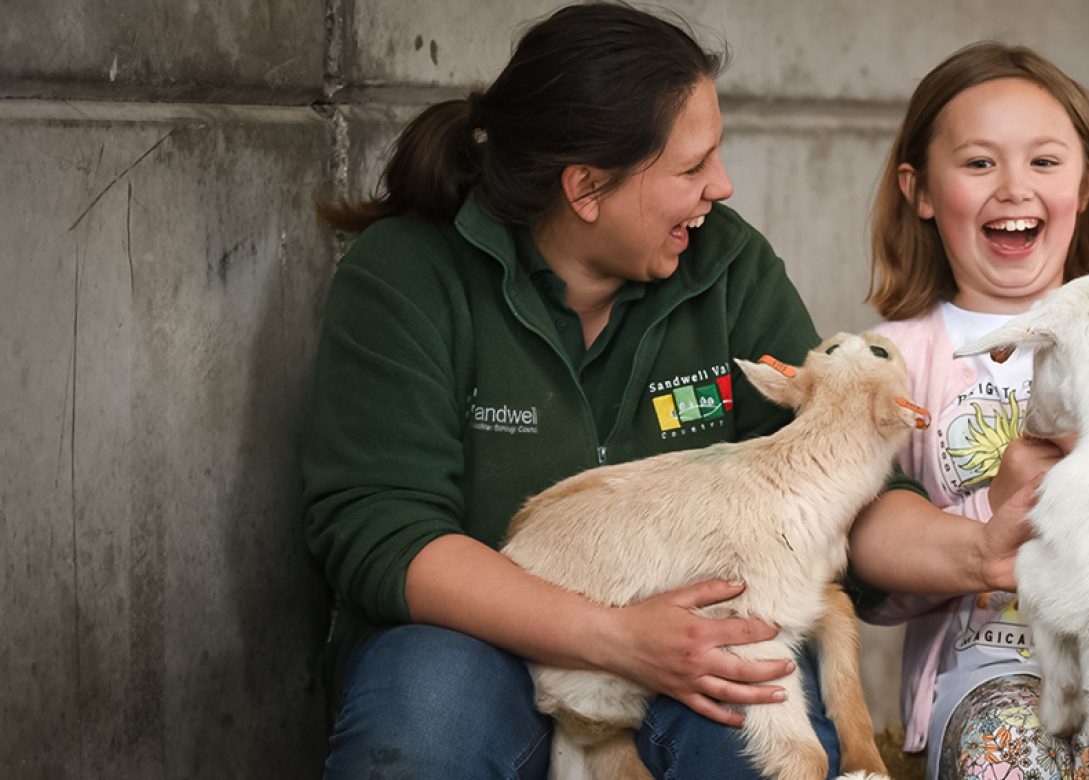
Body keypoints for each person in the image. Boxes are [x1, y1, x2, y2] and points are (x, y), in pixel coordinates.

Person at [300, 3, 846, 777]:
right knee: (421, 728)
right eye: (691, 168)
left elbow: (829, 456)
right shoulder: (406, 276)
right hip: (467, 644)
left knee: (762, 743)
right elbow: (383, 531)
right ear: (586, 189)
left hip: (694, 633)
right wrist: (616, 637)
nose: (719, 187)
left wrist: (979, 547)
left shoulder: (724, 264)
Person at [847, 42, 1089, 780]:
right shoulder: (892, 361)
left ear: (1086, 184)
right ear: (920, 189)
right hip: (991, 670)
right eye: (978, 163)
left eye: (1044, 161)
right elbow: (875, 587)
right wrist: (989, 511)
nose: (1013, 187)